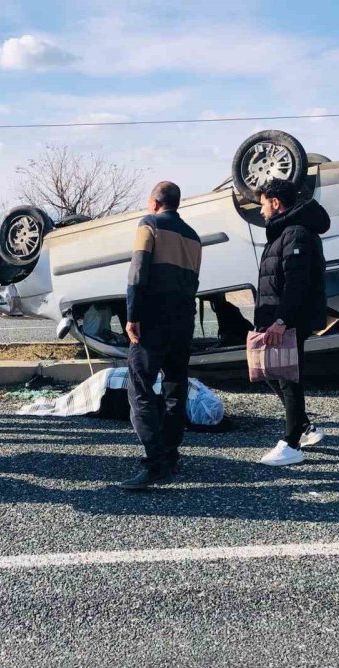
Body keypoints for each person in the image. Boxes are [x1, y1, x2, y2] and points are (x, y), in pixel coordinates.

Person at [120, 181, 201, 490]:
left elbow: (138, 272)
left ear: (154, 202)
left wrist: (132, 316)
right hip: (184, 320)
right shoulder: (194, 237)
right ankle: (170, 455)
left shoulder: (148, 224)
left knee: (139, 388)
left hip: (153, 320)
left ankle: (155, 464)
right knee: (174, 388)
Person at [253, 178, 329, 467]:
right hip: (280, 318)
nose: (261, 212)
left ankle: (291, 442)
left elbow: (297, 283)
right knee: (274, 372)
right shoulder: (285, 232)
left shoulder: (295, 233)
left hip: (290, 320)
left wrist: (282, 320)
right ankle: (305, 427)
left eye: (263, 205)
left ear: (275, 202)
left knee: (288, 377)